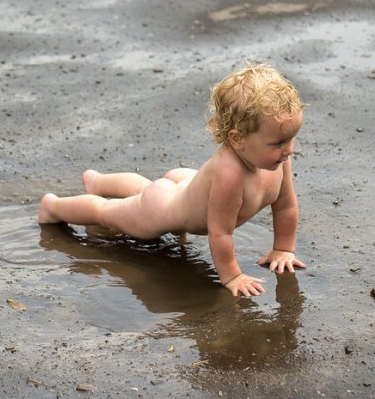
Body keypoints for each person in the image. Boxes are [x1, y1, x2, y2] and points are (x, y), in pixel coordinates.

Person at [39, 64, 307, 297]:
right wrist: (232, 276)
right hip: (160, 209)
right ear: (237, 139)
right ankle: (54, 207)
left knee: (146, 189)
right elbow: (220, 233)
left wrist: (283, 249)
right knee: (107, 212)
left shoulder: (278, 161)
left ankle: (98, 182)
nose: (289, 149)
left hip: (185, 189)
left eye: (291, 138)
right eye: (279, 142)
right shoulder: (230, 175)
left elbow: (285, 207)